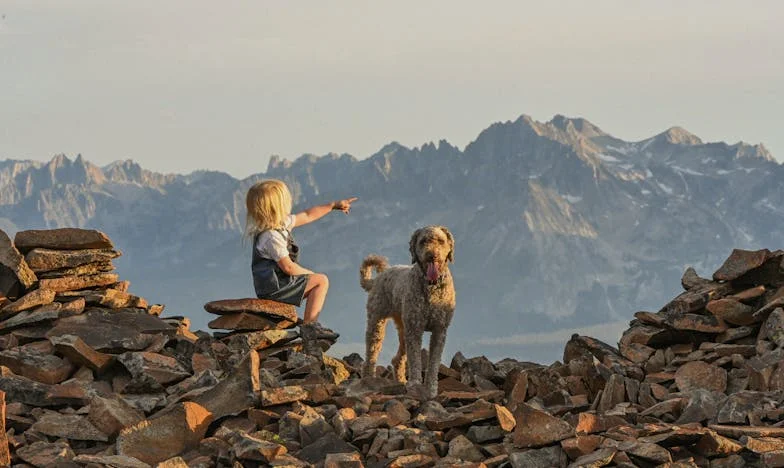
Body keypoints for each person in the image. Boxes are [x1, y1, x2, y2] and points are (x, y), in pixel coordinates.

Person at [245, 179, 357, 355]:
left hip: (275, 284)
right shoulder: (271, 237)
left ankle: (309, 326)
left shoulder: (280, 225)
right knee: (321, 281)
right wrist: (310, 274)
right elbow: (288, 267)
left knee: (318, 281)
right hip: (275, 287)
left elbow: (307, 215)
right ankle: (310, 328)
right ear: (277, 206)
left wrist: (333, 205)